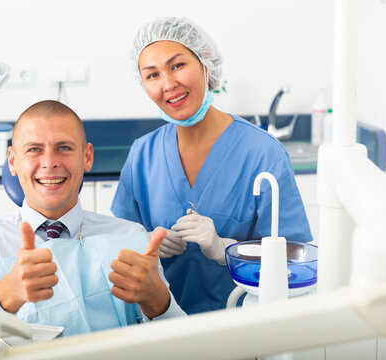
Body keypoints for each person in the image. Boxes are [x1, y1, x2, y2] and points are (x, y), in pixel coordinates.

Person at [111, 17, 313, 315]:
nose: (168, 84)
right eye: (152, 75)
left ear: (206, 63)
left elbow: (296, 257)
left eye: (177, 66)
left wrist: (226, 250)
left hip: (238, 328)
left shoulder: (263, 154)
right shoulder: (143, 154)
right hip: (157, 327)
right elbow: (117, 244)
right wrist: (145, 244)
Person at [0, 100, 185, 337]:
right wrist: (4, 295)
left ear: (87, 157)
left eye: (64, 148)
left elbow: (181, 344)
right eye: (34, 149)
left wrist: (158, 303)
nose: (50, 162)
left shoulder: (129, 236)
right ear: (13, 161)